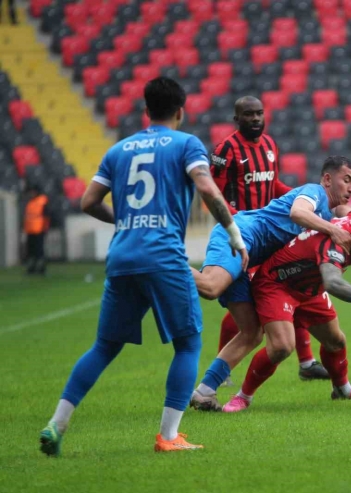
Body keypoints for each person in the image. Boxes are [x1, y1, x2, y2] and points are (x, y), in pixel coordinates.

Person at [38, 77, 247, 456]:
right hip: (164, 256)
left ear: (145, 111)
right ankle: (168, 437)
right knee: (188, 344)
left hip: (122, 256)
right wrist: (233, 232)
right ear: (181, 111)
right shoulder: (186, 144)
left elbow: (87, 202)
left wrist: (124, 223)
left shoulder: (118, 150)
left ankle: (57, 423)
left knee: (104, 346)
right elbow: (206, 187)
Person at [188, 157, 351, 410]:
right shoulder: (314, 193)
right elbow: (297, 213)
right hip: (243, 234)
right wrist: (333, 230)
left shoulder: (328, 213)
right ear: (327, 179)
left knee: (251, 333)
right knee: (211, 287)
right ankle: (162, 258)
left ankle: (204, 392)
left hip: (254, 259)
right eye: (346, 180)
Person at [221, 201, 351, 413]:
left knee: (336, 341)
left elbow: (345, 210)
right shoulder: (337, 244)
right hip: (277, 284)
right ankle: (242, 398)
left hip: (310, 289)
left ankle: (343, 390)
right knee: (281, 346)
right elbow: (333, 283)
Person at [210, 96, 328, 382]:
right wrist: (235, 224)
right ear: (237, 118)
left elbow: (272, 184)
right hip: (245, 235)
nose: (255, 119)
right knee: (249, 305)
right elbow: (213, 192)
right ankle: (221, 368)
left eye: (259, 113)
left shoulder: (270, 145)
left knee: (290, 289)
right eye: (248, 114)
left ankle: (307, 362)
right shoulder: (225, 149)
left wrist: (297, 195)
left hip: (273, 233)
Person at [24, 184, 50, 275]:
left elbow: (46, 216)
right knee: (31, 250)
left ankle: (40, 267)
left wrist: (45, 228)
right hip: (30, 230)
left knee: (39, 250)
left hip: (39, 229)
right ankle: (31, 267)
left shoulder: (42, 201)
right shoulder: (30, 202)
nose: (31, 193)